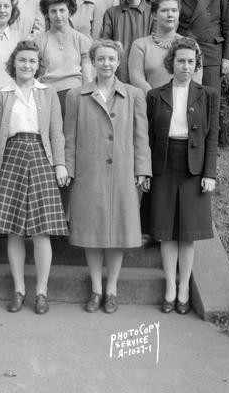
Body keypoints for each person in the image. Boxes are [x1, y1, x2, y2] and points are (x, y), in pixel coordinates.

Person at [64, 40, 151, 314]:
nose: (106, 64)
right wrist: (68, 168)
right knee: (91, 232)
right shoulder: (76, 95)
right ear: (93, 61)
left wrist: (142, 169)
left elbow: (140, 136)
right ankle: (95, 289)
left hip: (122, 172)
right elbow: (69, 137)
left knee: (118, 232)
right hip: (89, 173)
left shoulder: (134, 94)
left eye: (111, 59)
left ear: (118, 61)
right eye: (100, 59)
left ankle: (112, 288)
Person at [0, 40, 69, 315]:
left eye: (32, 61)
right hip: (11, 156)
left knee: (41, 230)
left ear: (38, 65)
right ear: (14, 63)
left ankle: (42, 292)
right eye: (22, 60)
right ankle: (19, 289)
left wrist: (60, 164)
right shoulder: (2, 94)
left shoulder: (49, 93)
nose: (27, 65)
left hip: (40, 155)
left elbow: (57, 132)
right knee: (14, 230)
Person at [146, 38, 219, 314]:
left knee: (188, 233)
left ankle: (185, 287)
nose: (186, 66)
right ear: (171, 63)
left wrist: (209, 173)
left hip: (194, 166)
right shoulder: (155, 95)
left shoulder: (207, 94)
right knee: (166, 232)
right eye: (181, 61)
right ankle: (170, 288)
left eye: (191, 61)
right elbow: (150, 136)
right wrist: (147, 171)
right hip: (164, 165)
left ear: (196, 64)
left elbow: (212, 138)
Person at [34, 0, 93, 117]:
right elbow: (34, 73)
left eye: (62, 10)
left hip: (75, 93)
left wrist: (88, 98)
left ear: (70, 12)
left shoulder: (82, 40)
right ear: (47, 14)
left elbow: (88, 76)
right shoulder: (39, 41)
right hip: (48, 94)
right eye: (53, 11)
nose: (58, 15)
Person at [129, 0, 202, 93]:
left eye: (174, 10)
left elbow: (196, 80)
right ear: (154, 14)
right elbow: (137, 79)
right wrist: (158, 101)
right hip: (151, 104)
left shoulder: (191, 45)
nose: (170, 15)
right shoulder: (140, 45)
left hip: (183, 104)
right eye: (164, 10)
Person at [102, 0, 153, 83]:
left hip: (146, 75)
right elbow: (106, 45)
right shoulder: (112, 13)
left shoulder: (153, 13)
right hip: (119, 75)